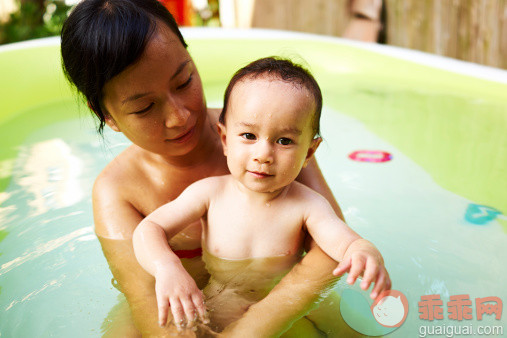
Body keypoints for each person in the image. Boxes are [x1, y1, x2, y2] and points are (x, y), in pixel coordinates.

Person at [60, 0, 391, 336]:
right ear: (106, 115)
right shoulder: (118, 191)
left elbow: (333, 252)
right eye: (145, 107)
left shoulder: (270, 128)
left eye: (184, 80)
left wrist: (254, 326)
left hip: (281, 297)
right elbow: (147, 299)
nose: (180, 117)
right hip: (185, 305)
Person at [133, 57, 391, 334]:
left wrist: (363, 250)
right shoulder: (209, 193)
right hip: (225, 297)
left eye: (284, 141)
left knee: (349, 331)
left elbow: (342, 242)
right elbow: (149, 228)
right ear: (224, 140)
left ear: (309, 153)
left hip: (293, 297)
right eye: (248, 135)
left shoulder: (308, 206)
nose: (263, 155)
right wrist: (167, 269)